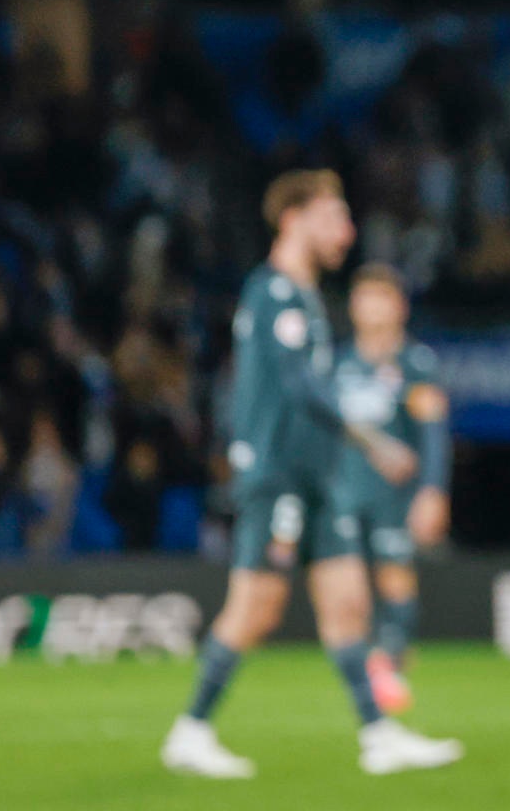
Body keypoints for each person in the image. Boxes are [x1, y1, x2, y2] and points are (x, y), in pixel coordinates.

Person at [160, 171, 463, 779]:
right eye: (334, 217)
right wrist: (373, 441)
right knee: (256, 610)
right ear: (293, 219)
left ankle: (378, 735)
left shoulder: (307, 299)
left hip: (317, 478)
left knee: (348, 603)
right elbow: (300, 387)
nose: (347, 232)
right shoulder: (273, 292)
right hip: (278, 477)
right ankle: (190, 730)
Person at [332, 263, 453, 717]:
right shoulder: (340, 363)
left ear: (399, 307)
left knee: (394, 575)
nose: (374, 307)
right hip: (344, 491)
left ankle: (389, 664)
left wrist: (432, 491)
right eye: (365, 298)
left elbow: (433, 433)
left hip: (392, 495)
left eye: (383, 297)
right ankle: (372, 663)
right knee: (349, 586)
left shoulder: (413, 364)